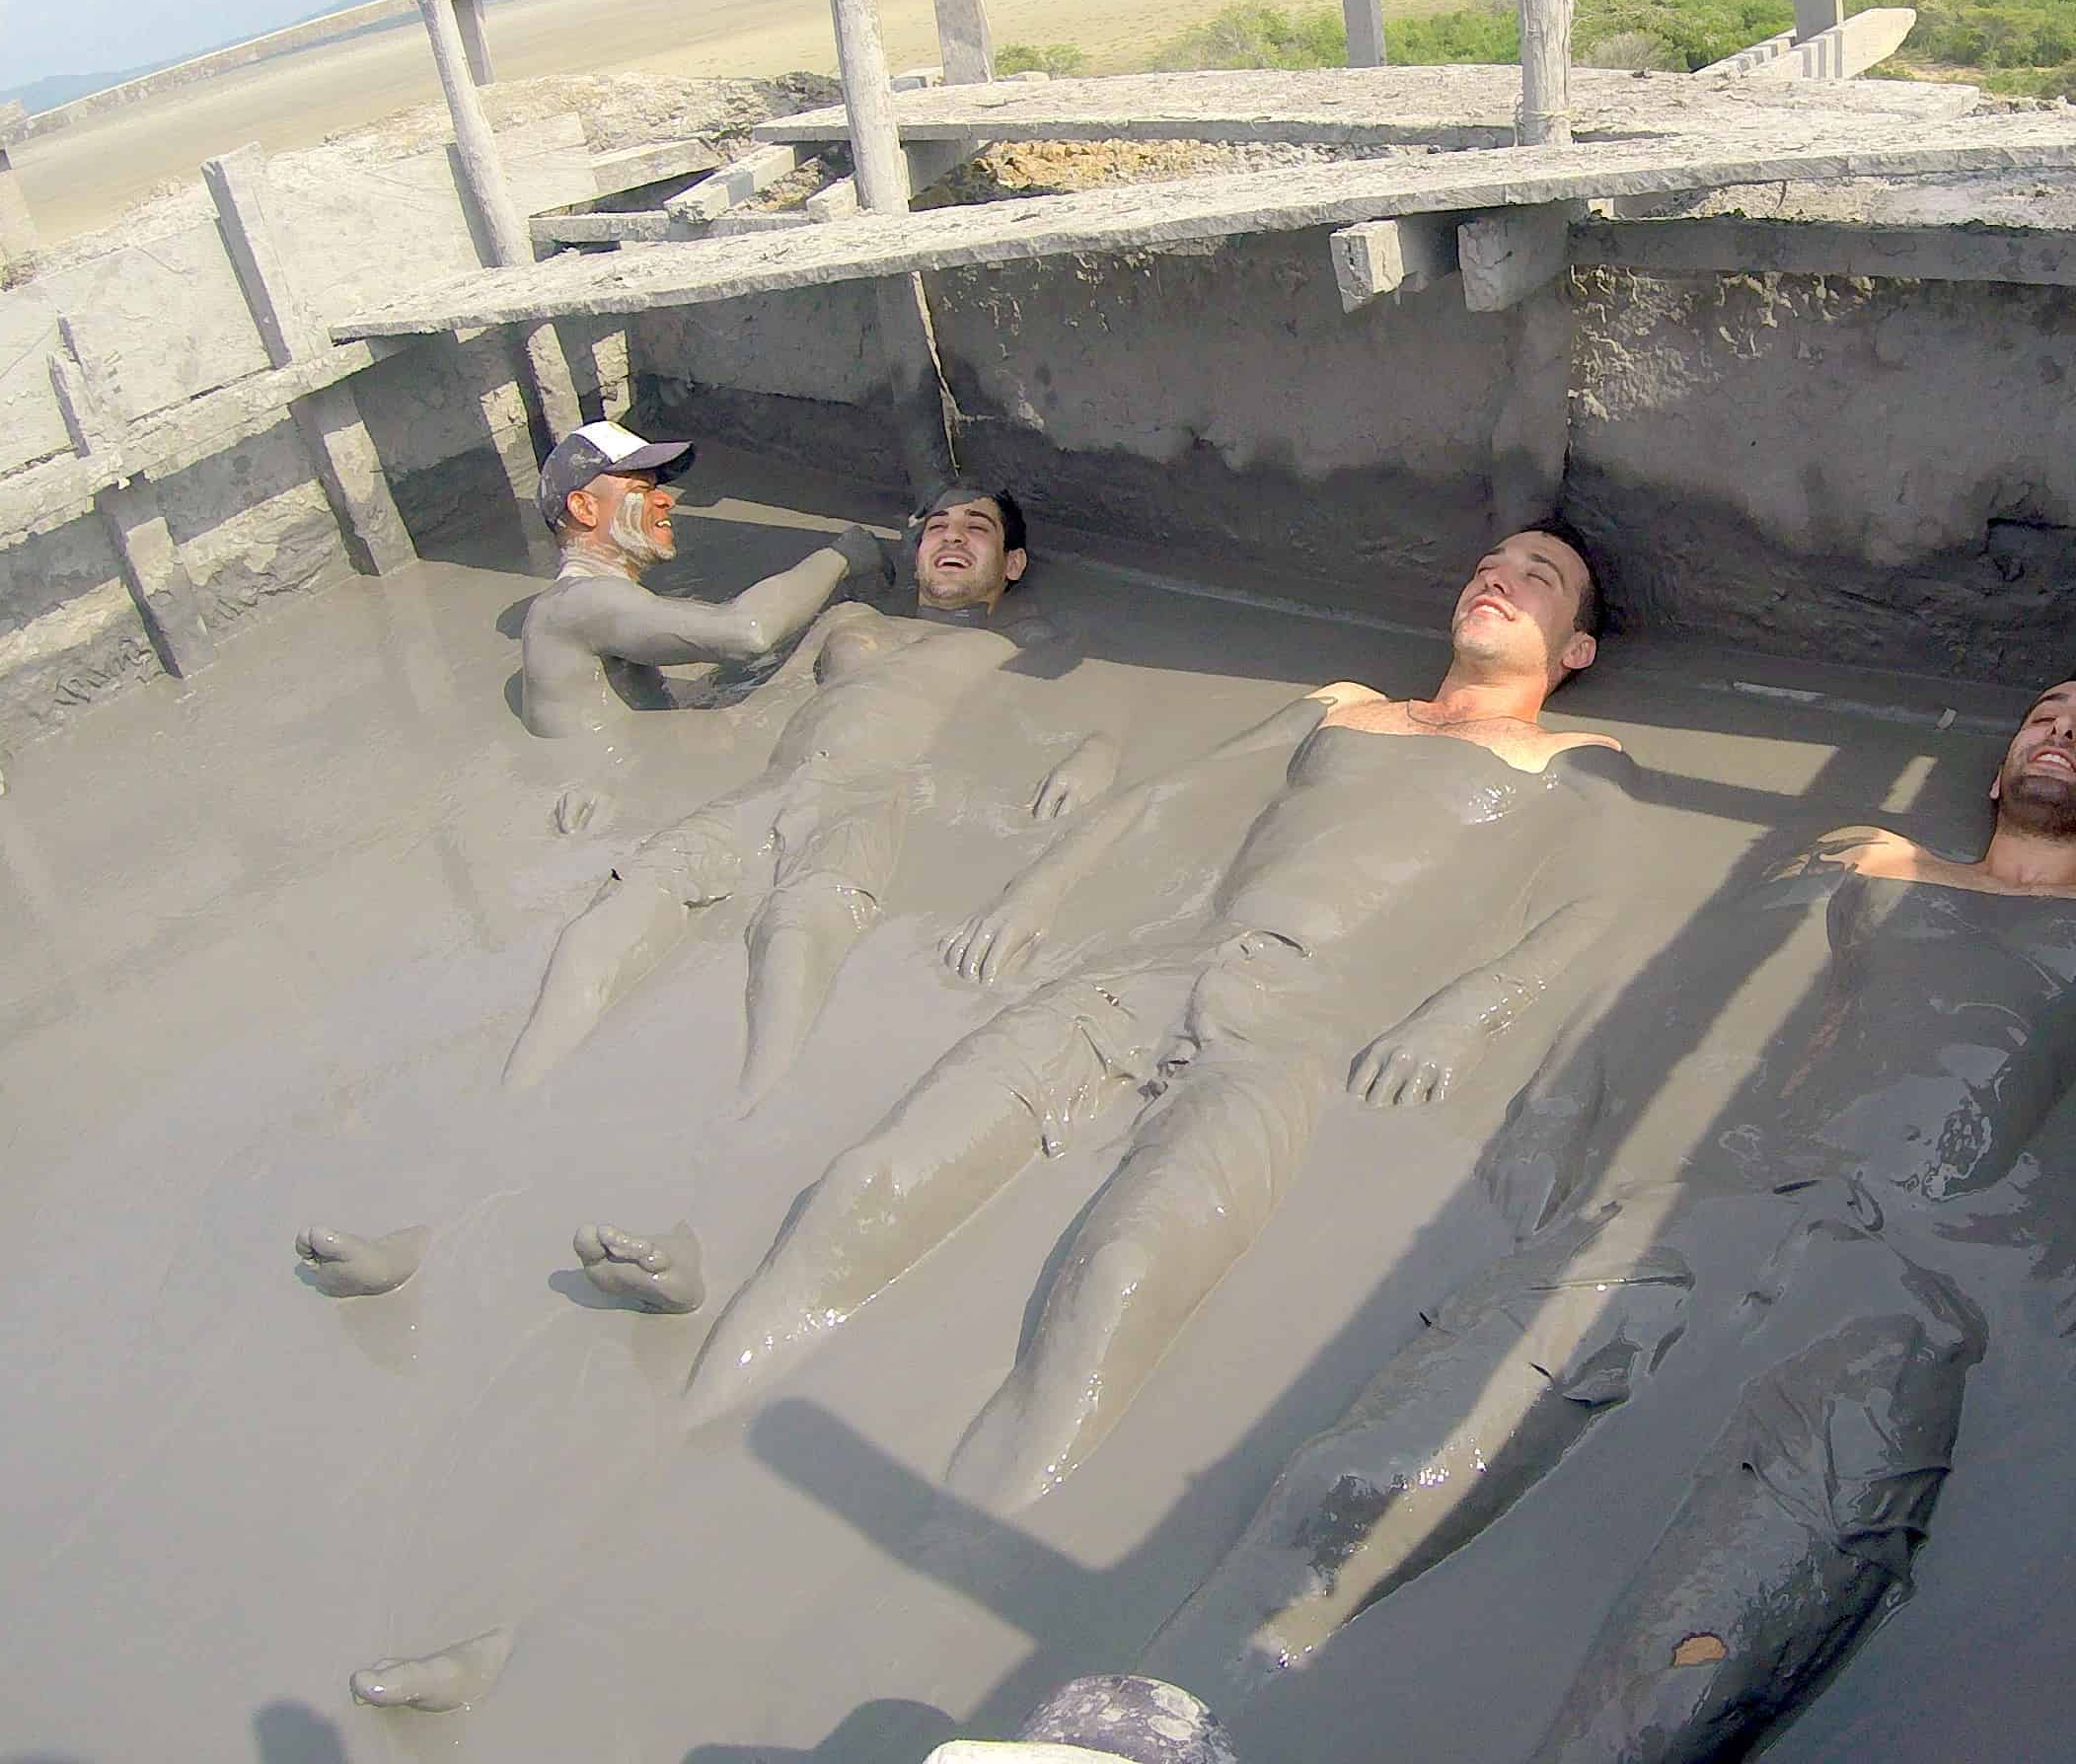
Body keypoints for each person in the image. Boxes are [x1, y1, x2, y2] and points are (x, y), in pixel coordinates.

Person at [1136, 675, 2076, 1762]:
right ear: (2000, 764)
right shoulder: (1875, 861)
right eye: (2044, 716)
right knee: (1379, 1463)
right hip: (1718, 1207)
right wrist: (1564, 1110)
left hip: (1913, 1273)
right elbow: (1683, 975)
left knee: (1742, 1609)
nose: (2062, 733)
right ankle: (1158, 1707)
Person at [677, 522, 1641, 1511]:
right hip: (1155, 971)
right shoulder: (1347, 708)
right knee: (871, 1180)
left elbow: (1597, 906)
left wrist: (1468, 1012)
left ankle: (975, 1523)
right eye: (1488, 566)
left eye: (1540, 578)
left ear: (1576, 650)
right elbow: (1170, 797)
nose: (1498, 581)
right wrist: (1036, 892)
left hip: (1295, 1031)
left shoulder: (1574, 757)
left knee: (1126, 1269)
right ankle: (687, 1425)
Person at [502, 484, 1116, 1117]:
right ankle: (519, 1084)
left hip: (874, 793)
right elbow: (748, 706)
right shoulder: (850, 620)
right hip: (777, 781)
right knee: (629, 891)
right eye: (938, 526)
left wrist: (1095, 752)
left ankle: (749, 1109)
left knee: (794, 928)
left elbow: (1089, 708)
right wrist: (619, 775)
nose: (953, 536)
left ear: (1013, 564)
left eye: (977, 527)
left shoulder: (1026, 641)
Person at [516, 419, 888, 742]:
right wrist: (842, 557)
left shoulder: (581, 609)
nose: (667, 501)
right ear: (584, 507)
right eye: (642, 490)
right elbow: (747, 632)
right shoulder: (577, 603)